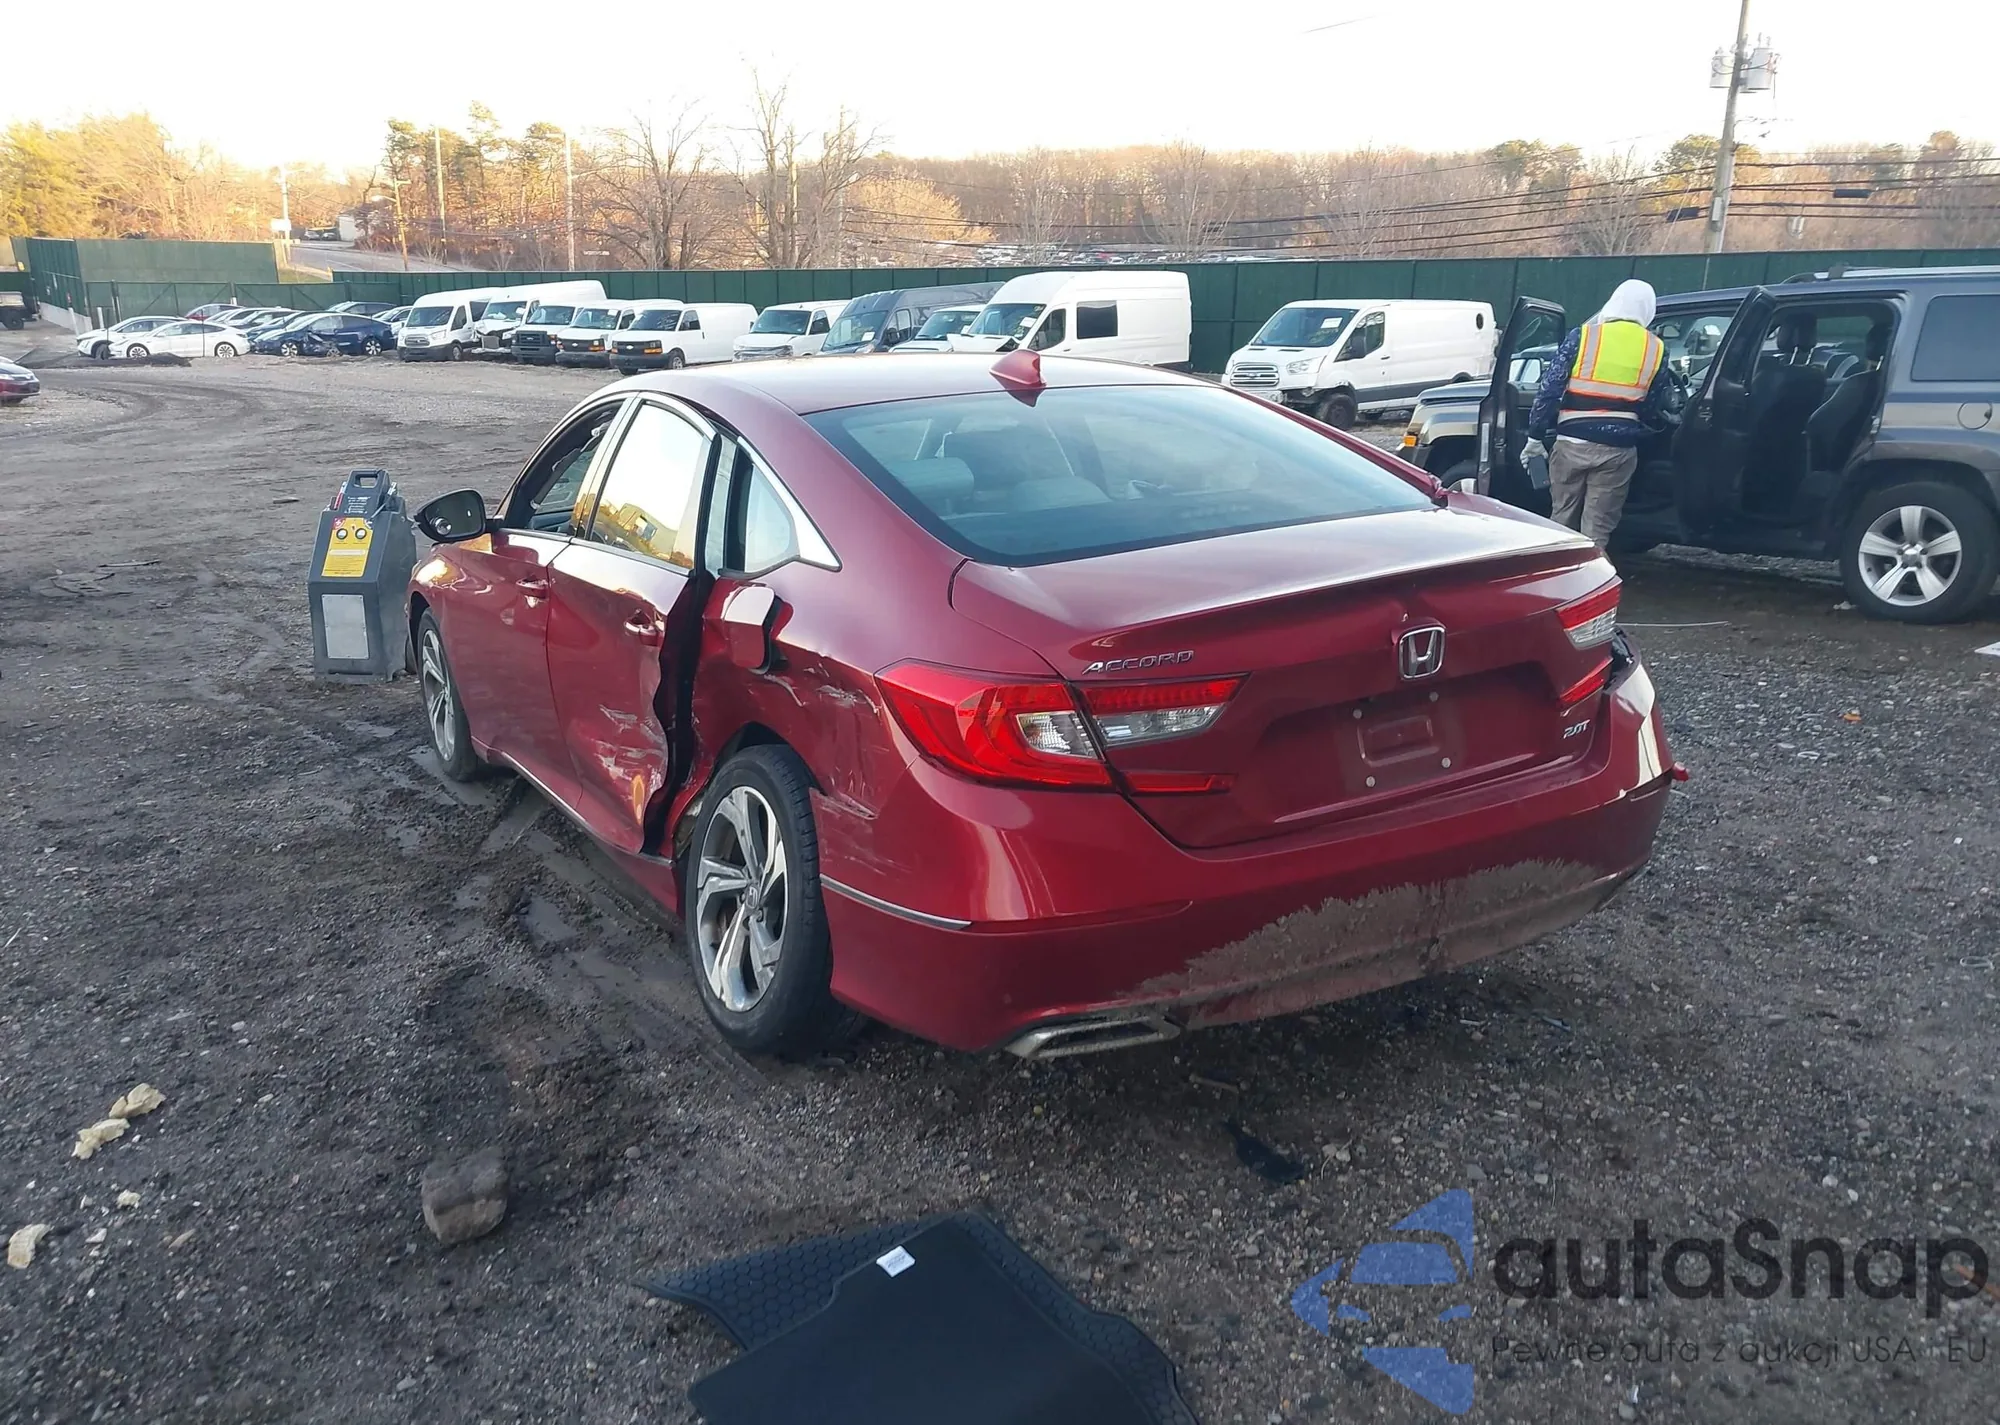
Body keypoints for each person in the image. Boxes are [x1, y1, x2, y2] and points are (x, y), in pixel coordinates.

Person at [1526, 279, 1674, 550]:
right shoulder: (1656, 349)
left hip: (1571, 445)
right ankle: (1591, 571)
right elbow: (1652, 406)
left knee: (1562, 520)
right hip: (1617, 451)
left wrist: (1535, 436)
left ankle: (1558, 570)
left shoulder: (1583, 336)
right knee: (1597, 528)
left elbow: (1550, 389)